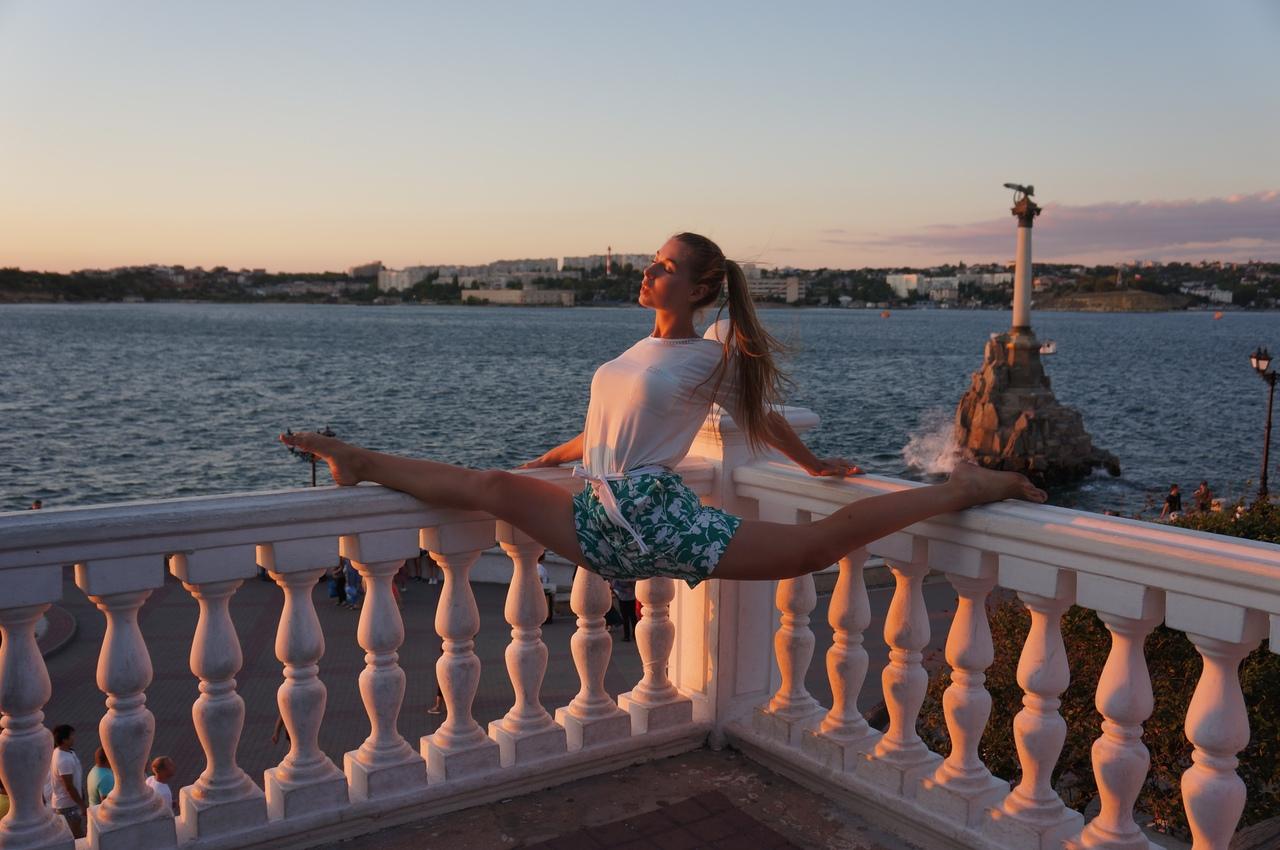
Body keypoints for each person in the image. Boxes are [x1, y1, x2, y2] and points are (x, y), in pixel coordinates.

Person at [280, 233, 1044, 596]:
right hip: (598, 510)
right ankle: (358, 459)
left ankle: (967, 489)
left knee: (817, 547)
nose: (648, 271)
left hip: (649, 515)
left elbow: (761, 416)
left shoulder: (707, 356)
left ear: (701, 290)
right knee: (491, 483)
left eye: (666, 267)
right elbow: (609, 427)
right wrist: (555, 456)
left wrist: (813, 465)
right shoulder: (634, 353)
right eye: (653, 262)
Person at [49, 724, 85, 838]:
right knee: (77, 836)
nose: (74, 737)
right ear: (64, 740)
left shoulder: (65, 752)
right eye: (72, 735)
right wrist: (82, 804)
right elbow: (69, 787)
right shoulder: (64, 760)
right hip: (67, 806)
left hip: (68, 804)